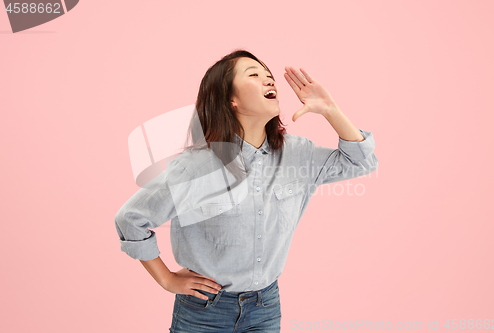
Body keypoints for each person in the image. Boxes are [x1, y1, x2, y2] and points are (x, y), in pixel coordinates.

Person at [114, 49, 379, 332]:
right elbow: (130, 219)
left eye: (269, 76)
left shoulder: (298, 155)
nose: (269, 81)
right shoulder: (196, 166)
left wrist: (330, 109)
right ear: (231, 100)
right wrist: (166, 279)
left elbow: (361, 162)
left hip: (265, 308)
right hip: (204, 312)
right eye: (254, 75)